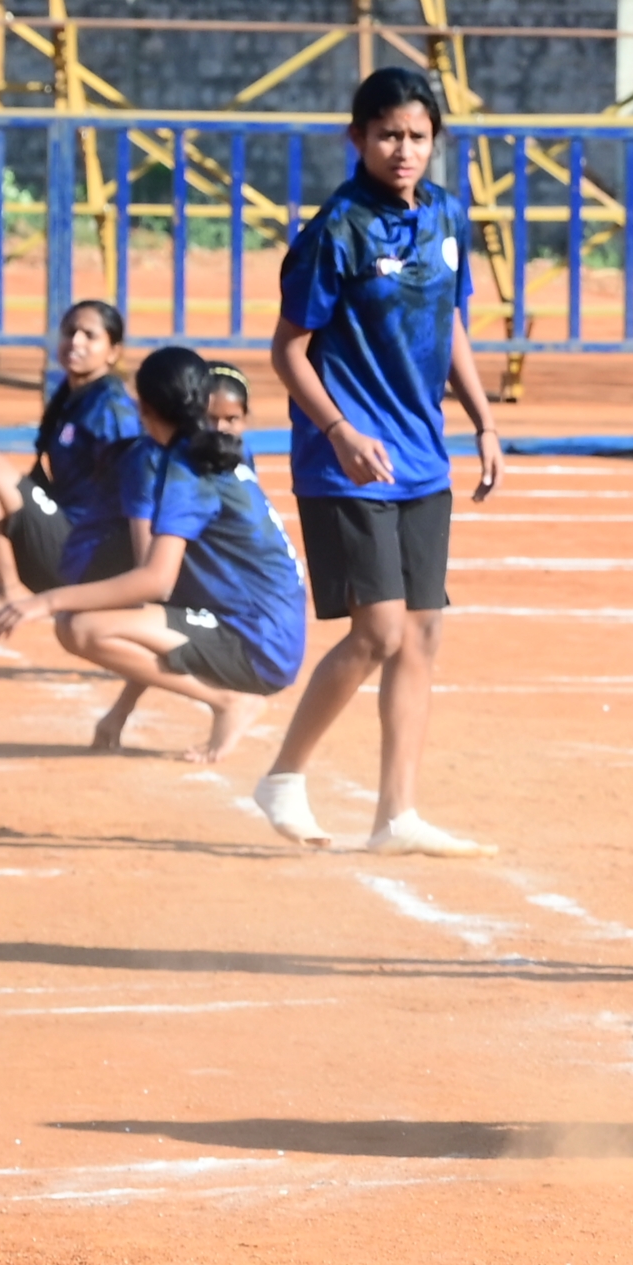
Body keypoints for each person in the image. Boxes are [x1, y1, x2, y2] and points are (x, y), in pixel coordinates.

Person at [252, 64, 504, 854]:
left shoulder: (445, 217)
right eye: (388, 133)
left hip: (423, 458)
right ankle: (284, 775)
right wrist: (337, 430)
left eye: (418, 136)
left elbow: (451, 326)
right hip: (348, 461)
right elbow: (287, 350)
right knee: (380, 631)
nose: (404, 149)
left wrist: (484, 422)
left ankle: (397, 814)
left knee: (422, 633)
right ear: (356, 137)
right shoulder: (336, 231)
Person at [0, 346, 307, 764]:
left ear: (145, 406)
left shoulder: (176, 468)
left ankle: (230, 701)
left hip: (257, 641)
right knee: (90, 621)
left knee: (79, 628)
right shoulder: (211, 452)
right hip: (267, 628)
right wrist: (121, 710)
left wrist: (46, 600)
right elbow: (166, 598)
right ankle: (226, 699)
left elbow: (155, 581)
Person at [0, 298, 138, 619]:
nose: (76, 341)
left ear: (113, 351)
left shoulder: (111, 407)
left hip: (89, 553)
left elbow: (136, 487)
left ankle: (2, 590)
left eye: (90, 335)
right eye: (70, 332)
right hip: (66, 533)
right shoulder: (71, 397)